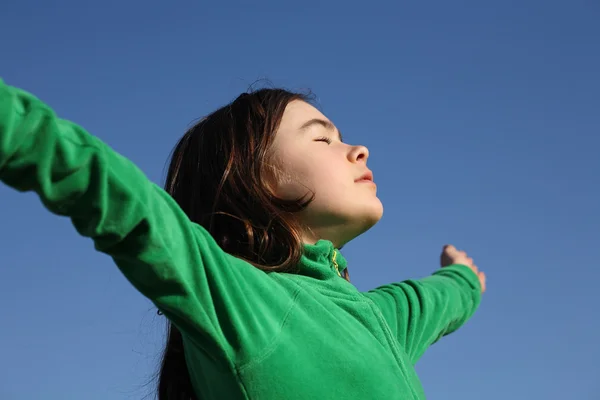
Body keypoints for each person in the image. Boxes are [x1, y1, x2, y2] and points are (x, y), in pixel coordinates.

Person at [0, 78, 486, 400]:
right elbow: (114, 191)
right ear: (252, 179)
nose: (358, 150)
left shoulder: (379, 321)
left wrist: (462, 278)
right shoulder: (240, 299)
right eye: (322, 138)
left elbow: (433, 300)